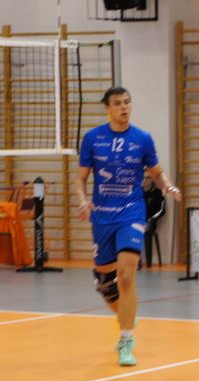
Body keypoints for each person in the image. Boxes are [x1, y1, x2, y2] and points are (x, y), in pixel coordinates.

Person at [76, 86, 182, 366]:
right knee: (106, 284)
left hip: (131, 213)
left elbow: (157, 173)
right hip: (102, 215)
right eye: (117, 103)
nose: (124, 107)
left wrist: (168, 186)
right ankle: (127, 315)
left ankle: (126, 341)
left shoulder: (142, 139)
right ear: (107, 108)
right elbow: (81, 178)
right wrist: (83, 200)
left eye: (127, 102)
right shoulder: (93, 138)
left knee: (125, 276)